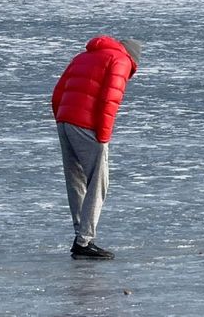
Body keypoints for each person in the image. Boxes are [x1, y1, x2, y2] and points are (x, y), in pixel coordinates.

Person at [51, 36, 142, 260]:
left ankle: (81, 236)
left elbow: (57, 93)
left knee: (76, 180)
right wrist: (103, 136)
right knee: (99, 181)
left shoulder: (83, 57)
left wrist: (63, 120)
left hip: (65, 121)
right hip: (87, 126)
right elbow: (110, 100)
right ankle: (84, 241)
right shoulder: (120, 61)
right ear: (133, 57)